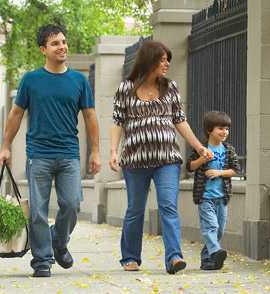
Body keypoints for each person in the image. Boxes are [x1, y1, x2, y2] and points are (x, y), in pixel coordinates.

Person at [0, 24, 101, 278]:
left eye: (64, 42)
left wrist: (95, 151)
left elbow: (90, 116)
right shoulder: (30, 80)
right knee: (39, 211)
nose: (62, 46)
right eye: (55, 43)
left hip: (69, 154)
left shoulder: (78, 80)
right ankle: (42, 260)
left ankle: (58, 241)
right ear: (43, 49)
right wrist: (6, 146)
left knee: (72, 204)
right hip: (39, 154)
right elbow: (16, 114)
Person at [109, 40, 212, 274]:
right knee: (135, 209)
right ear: (149, 60)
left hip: (167, 159)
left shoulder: (170, 87)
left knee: (168, 206)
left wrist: (198, 147)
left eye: (168, 59)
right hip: (135, 161)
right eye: (162, 59)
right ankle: (130, 257)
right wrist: (114, 151)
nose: (166, 64)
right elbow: (117, 121)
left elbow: (180, 120)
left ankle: (174, 257)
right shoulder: (126, 88)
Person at [186, 111, 240, 270]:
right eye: (221, 128)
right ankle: (216, 251)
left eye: (227, 129)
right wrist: (202, 158)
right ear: (210, 130)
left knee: (219, 230)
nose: (225, 132)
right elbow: (190, 167)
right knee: (211, 227)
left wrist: (219, 173)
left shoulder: (229, 150)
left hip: (222, 197)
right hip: (205, 197)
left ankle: (208, 260)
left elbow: (236, 170)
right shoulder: (201, 149)